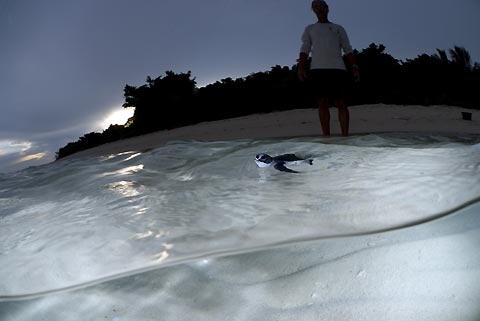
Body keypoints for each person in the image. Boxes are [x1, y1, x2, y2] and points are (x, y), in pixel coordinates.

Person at [298, 0, 360, 136]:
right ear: (313, 10)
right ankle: (326, 136)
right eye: (316, 6)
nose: (319, 8)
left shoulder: (338, 28)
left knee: (342, 102)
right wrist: (301, 66)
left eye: (322, 5)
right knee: (322, 102)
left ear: (327, 8)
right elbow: (305, 48)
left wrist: (354, 66)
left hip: (338, 69)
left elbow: (347, 48)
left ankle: (345, 135)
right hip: (318, 70)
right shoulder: (310, 28)